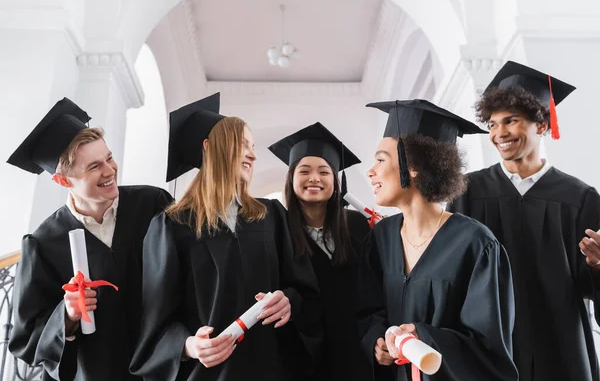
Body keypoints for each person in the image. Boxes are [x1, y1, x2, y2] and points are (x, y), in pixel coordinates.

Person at [130, 93, 320, 381]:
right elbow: (156, 321)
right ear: (209, 147)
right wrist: (189, 346)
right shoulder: (172, 226)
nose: (253, 155)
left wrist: (289, 302)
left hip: (271, 371)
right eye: (244, 144)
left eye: (253, 147)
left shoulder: (271, 215)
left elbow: (304, 290)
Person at [447, 61, 600, 381]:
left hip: (560, 346)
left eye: (511, 121)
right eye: (492, 124)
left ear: (541, 125)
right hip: (490, 345)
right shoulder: (468, 192)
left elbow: (589, 288)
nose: (499, 133)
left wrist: (598, 266)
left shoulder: (579, 197)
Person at [7, 98, 173, 380]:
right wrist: (68, 315)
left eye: (109, 158)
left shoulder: (153, 205)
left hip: (162, 366)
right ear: (63, 181)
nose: (109, 171)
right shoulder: (44, 243)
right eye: (94, 167)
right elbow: (26, 339)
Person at [359, 99, 518, 381]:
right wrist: (377, 340)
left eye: (381, 159)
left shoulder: (475, 244)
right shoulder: (381, 238)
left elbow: (489, 350)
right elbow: (368, 312)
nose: (370, 171)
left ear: (414, 167)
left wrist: (425, 338)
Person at [268, 122, 376, 380]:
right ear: (291, 178)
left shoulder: (359, 226)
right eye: (304, 171)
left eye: (324, 172)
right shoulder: (276, 232)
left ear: (335, 181)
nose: (314, 179)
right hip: (303, 357)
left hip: (358, 352)